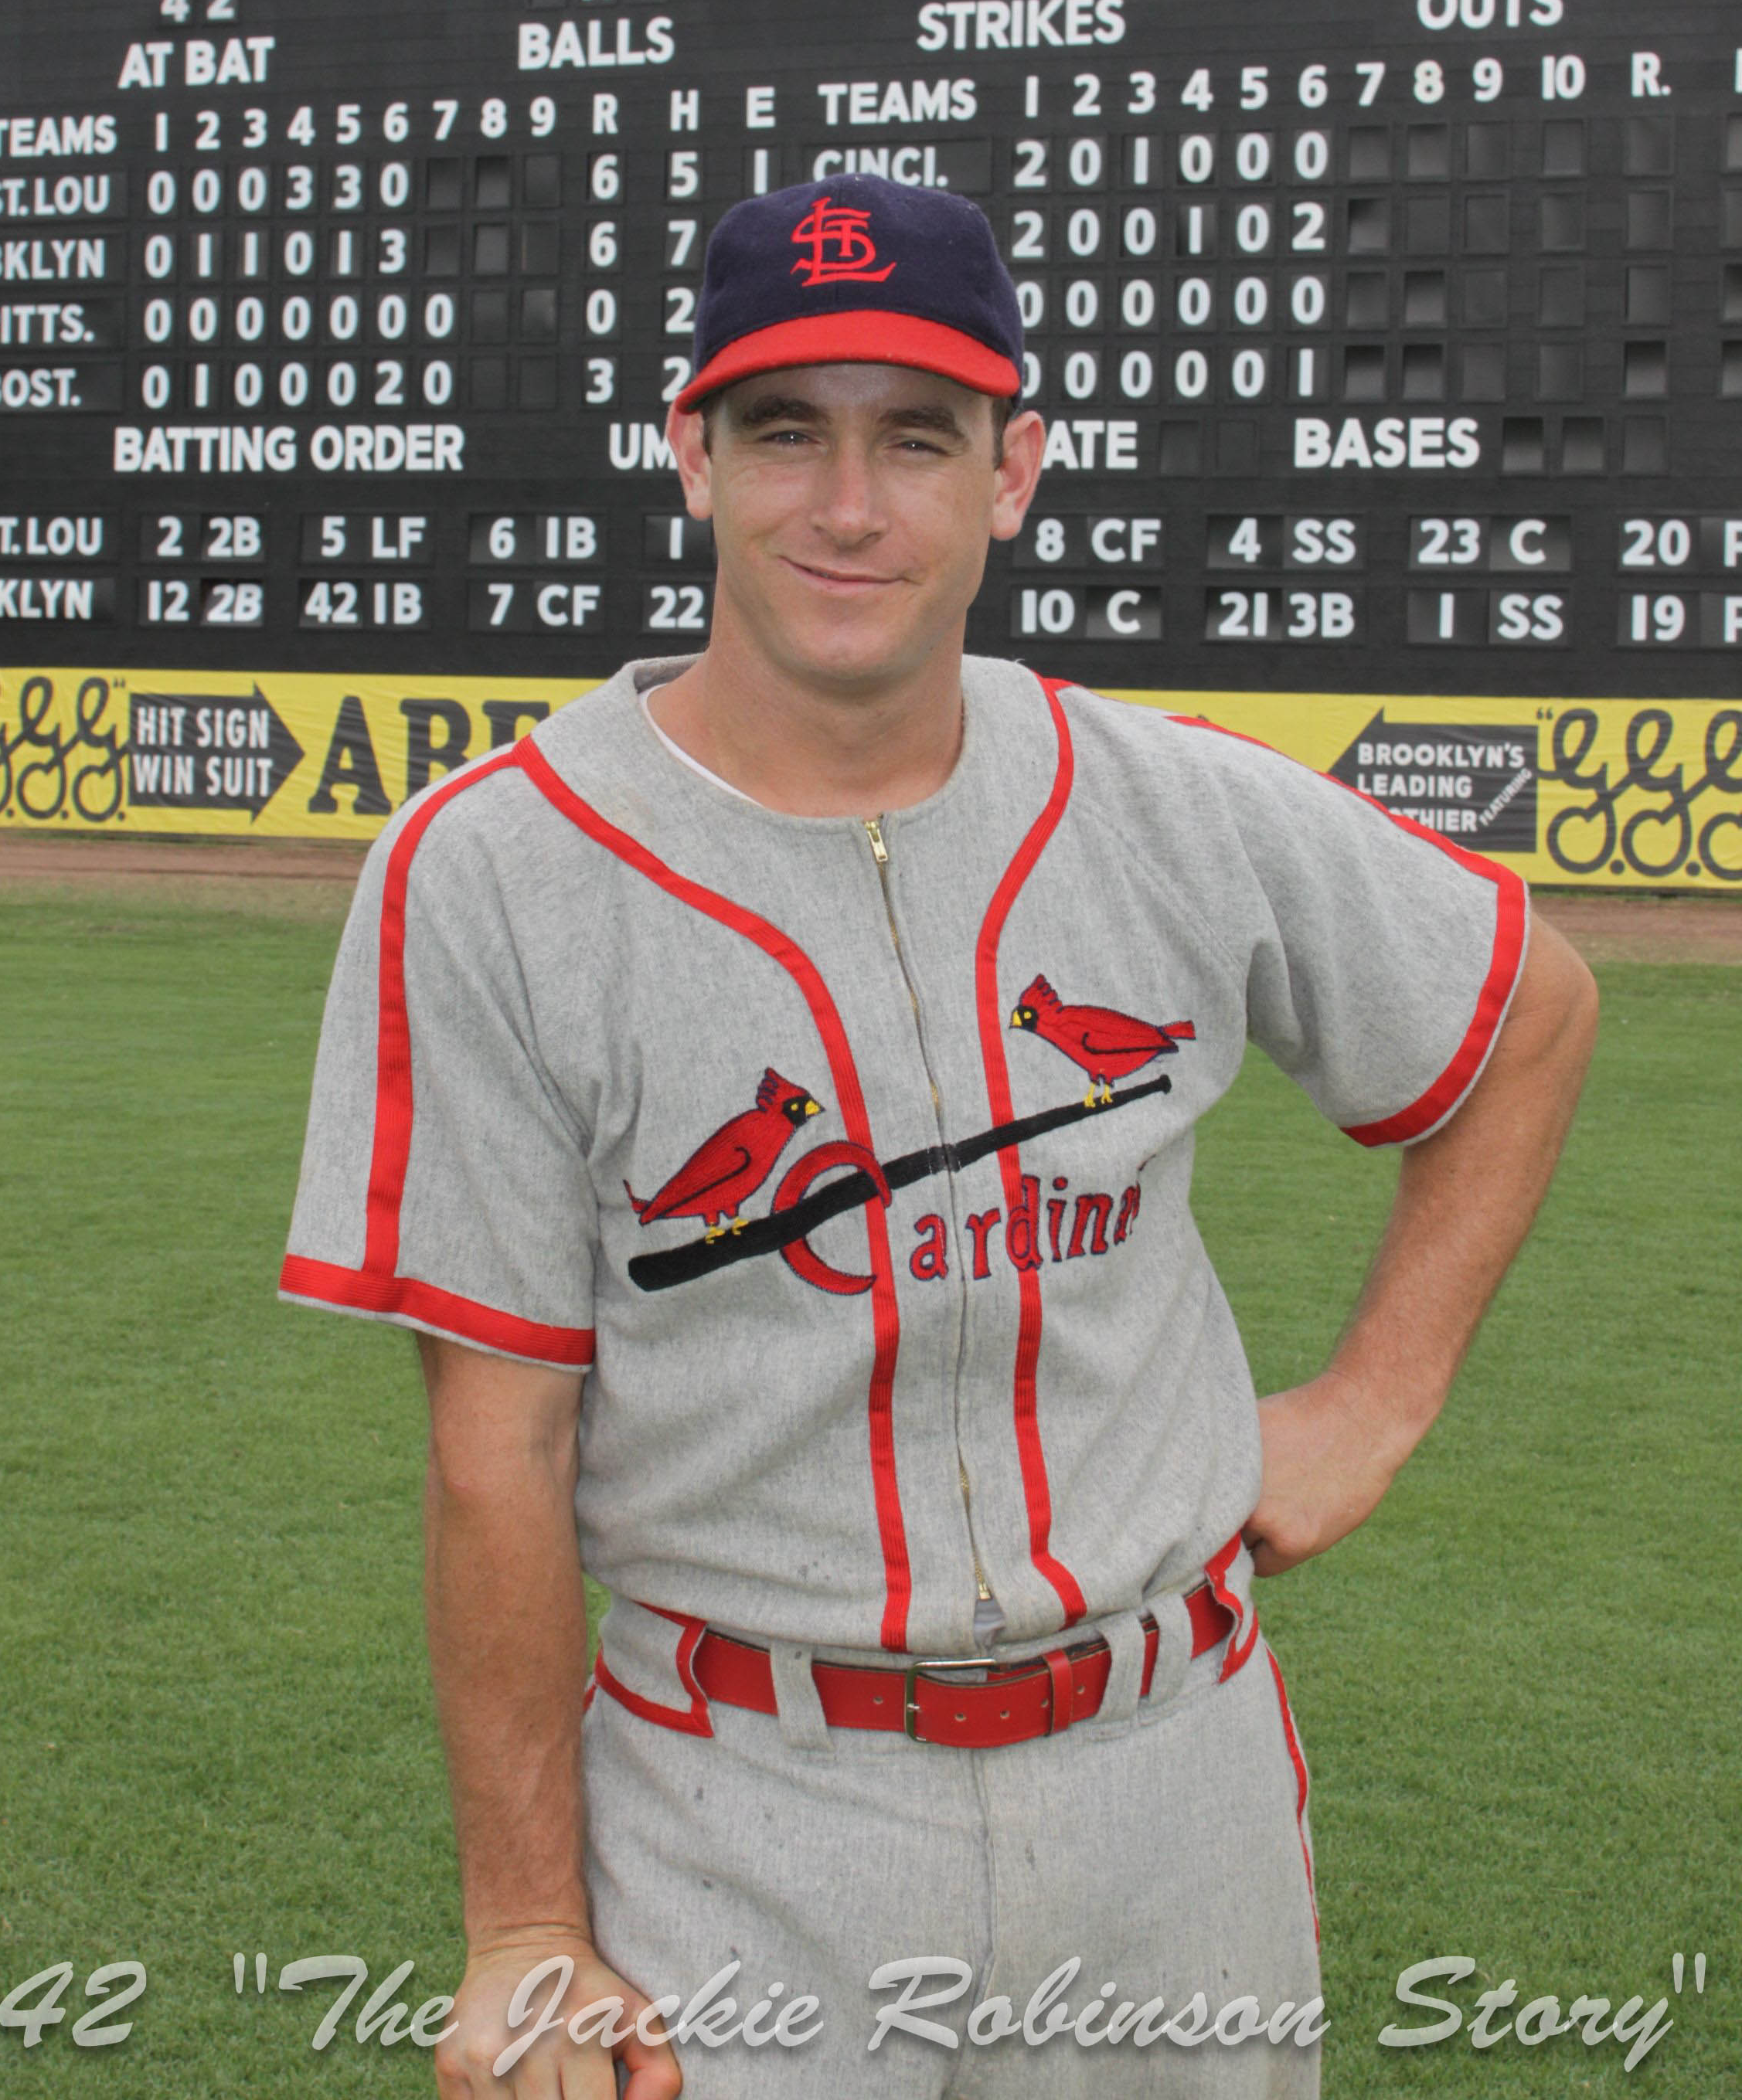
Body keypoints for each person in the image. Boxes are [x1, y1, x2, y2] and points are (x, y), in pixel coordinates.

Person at [281, 172, 1597, 2099]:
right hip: (748, 1796)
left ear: (1015, 469)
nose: (847, 505)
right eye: (784, 432)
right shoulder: (491, 873)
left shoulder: (1169, 798)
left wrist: (1377, 1397)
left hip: (1176, 1774)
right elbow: (501, 1449)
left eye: (918, 437)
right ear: (690, 456)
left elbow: (1530, 1005)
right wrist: (525, 1931)